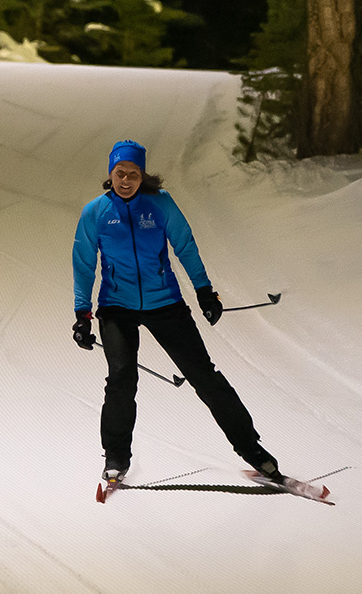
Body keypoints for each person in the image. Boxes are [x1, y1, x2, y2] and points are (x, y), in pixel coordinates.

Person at [71, 140, 283, 487]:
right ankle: (115, 458)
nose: (126, 180)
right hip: (116, 307)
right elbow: (83, 263)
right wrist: (82, 313)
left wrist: (204, 290)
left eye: (133, 174)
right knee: (122, 380)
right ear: (111, 174)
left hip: (164, 302)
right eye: (120, 173)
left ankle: (253, 451)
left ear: (143, 176)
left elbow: (184, 244)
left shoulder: (160, 205)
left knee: (205, 377)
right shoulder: (95, 212)